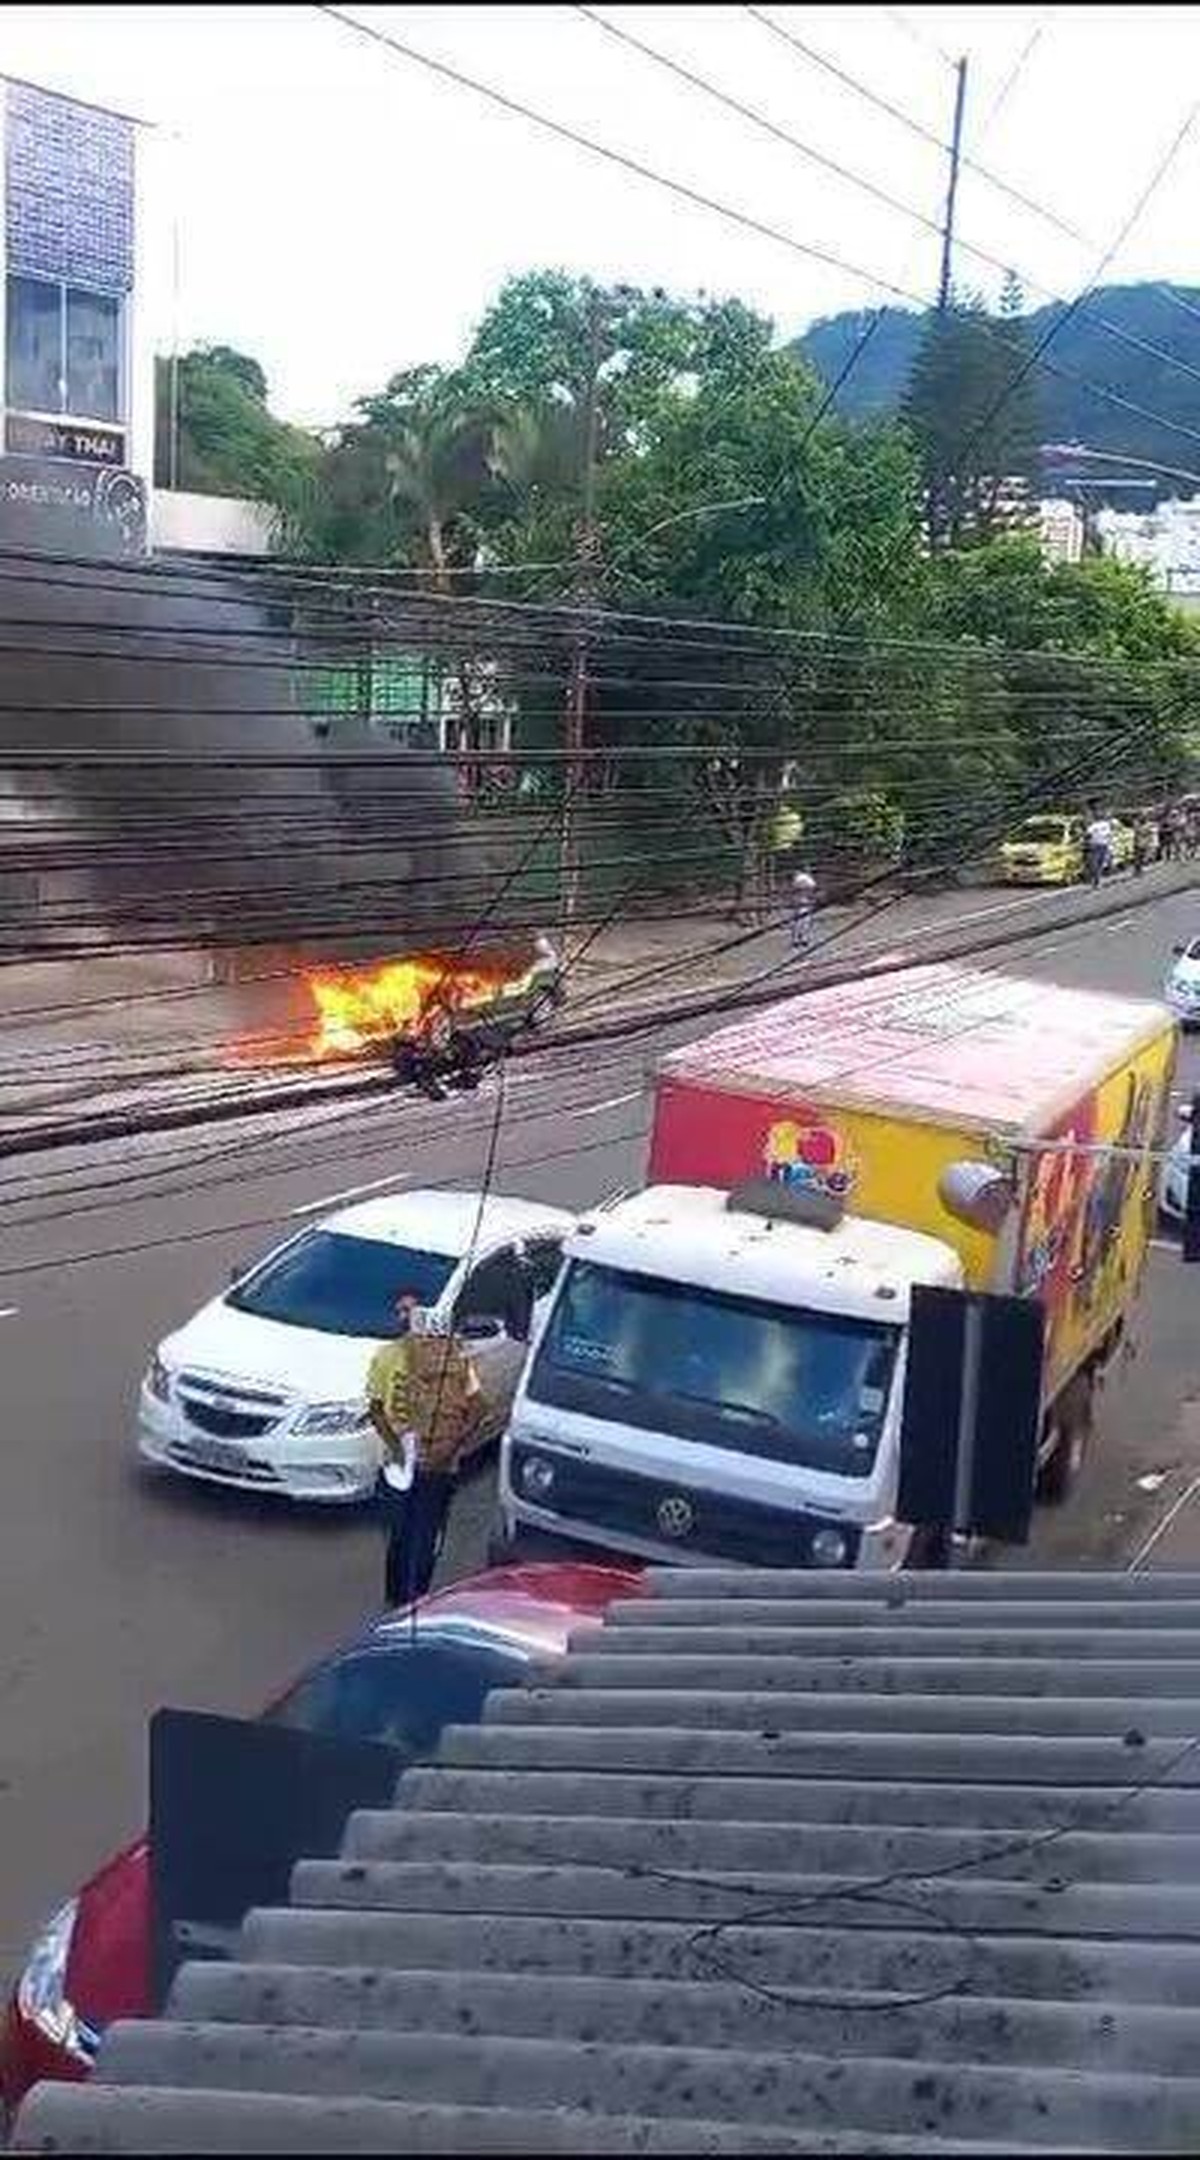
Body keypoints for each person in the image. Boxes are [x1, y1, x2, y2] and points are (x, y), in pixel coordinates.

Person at [366, 1294, 488, 1606]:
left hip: (400, 1467)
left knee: (399, 1536)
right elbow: (479, 1407)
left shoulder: (386, 1355)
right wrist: (452, 1446)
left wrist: (397, 1448)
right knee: (425, 1536)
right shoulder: (454, 1357)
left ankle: (395, 1604)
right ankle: (415, 1601)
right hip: (439, 1467)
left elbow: (377, 1410)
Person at [789, 867, 817, 951]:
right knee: (804, 920)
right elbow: (812, 887)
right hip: (803, 900)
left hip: (800, 900)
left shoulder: (798, 879)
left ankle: (797, 939)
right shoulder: (806, 878)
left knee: (799, 920)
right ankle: (802, 939)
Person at [1083, 811, 1112, 888]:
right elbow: (1109, 834)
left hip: (1098, 845)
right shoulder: (1105, 825)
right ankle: (1096, 880)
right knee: (1099, 864)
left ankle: (1097, 880)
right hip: (1100, 845)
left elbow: (1087, 835)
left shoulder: (1094, 826)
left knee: (1097, 864)